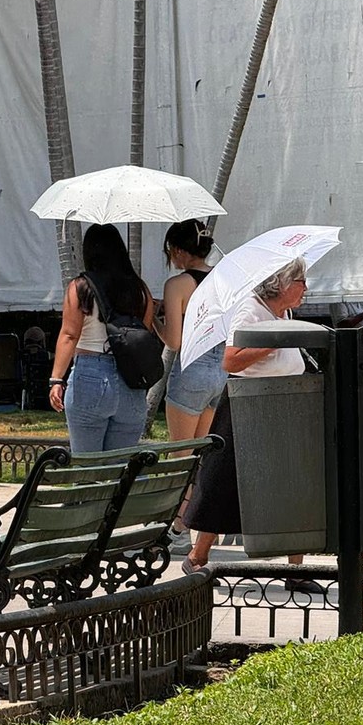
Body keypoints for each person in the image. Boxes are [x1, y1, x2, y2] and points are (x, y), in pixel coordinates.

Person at [181, 258, 324, 595]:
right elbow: (231, 360)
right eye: (301, 281)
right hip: (249, 406)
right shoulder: (251, 309)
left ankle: (296, 569)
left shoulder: (282, 313)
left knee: (293, 485)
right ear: (283, 284)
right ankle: (198, 555)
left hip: (284, 404)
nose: (306, 288)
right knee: (225, 483)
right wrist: (274, 341)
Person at [49, 224, 156, 453]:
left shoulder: (80, 287)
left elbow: (69, 335)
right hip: (131, 380)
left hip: (90, 376)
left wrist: (57, 379)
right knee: (119, 470)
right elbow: (142, 335)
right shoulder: (139, 290)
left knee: (86, 467)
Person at [155, 220, 225, 539]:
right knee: (201, 452)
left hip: (192, 368)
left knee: (180, 453)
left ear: (181, 251)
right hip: (220, 371)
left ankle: (178, 524)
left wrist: (152, 322)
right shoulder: (224, 278)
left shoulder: (178, 284)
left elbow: (173, 341)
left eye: (171, 252)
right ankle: (196, 520)